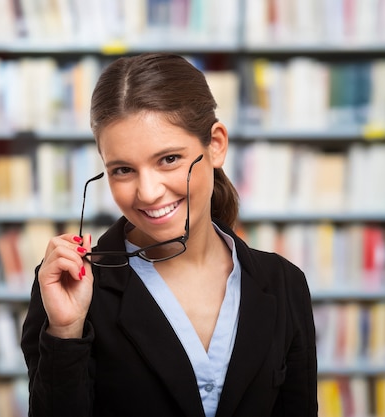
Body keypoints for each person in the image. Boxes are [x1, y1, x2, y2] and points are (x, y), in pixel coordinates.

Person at [20, 53, 318, 417]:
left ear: (216, 145)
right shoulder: (72, 288)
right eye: (123, 169)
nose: (147, 192)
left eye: (169, 159)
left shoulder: (283, 284)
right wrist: (66, 333)